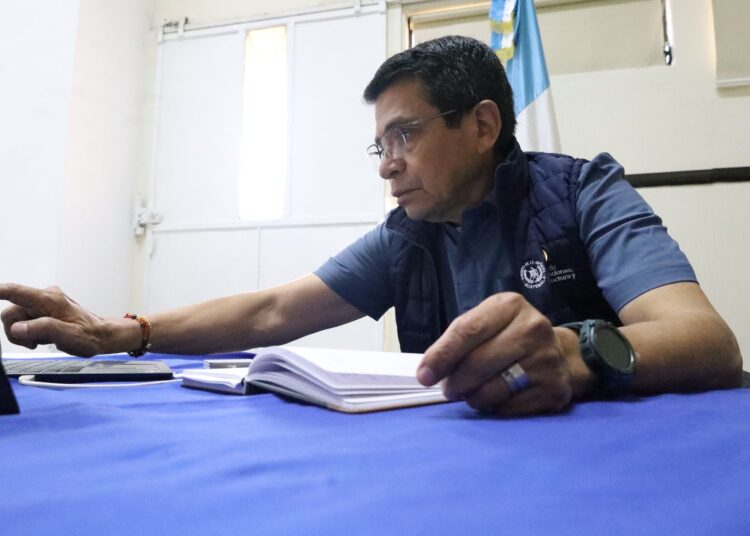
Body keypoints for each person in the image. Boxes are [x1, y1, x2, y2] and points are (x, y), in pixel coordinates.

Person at [0, 36, 741, 415]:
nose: (387, 166)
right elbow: (273, 311)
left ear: (483, 125)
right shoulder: (405, 236)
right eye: (379, 144)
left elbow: (706, 340)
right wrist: (120, 333)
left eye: (405, 135)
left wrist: (575, 355)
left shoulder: (583, 191)